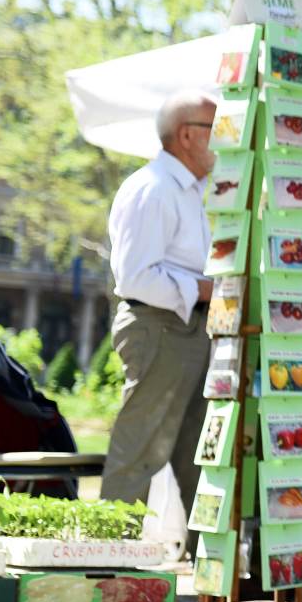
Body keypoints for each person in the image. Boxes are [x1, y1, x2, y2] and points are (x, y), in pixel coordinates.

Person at [100, 91, 218, 529]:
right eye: (216, 128)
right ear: (187, 135)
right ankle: (109, 566)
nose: (225, 139)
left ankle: (207, 567)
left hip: (189, 327)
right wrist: (207, 289)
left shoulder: (192, 190)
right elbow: (135, 278)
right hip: (161, 325)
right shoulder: (151, 189)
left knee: (200, 451)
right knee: (141, 451)